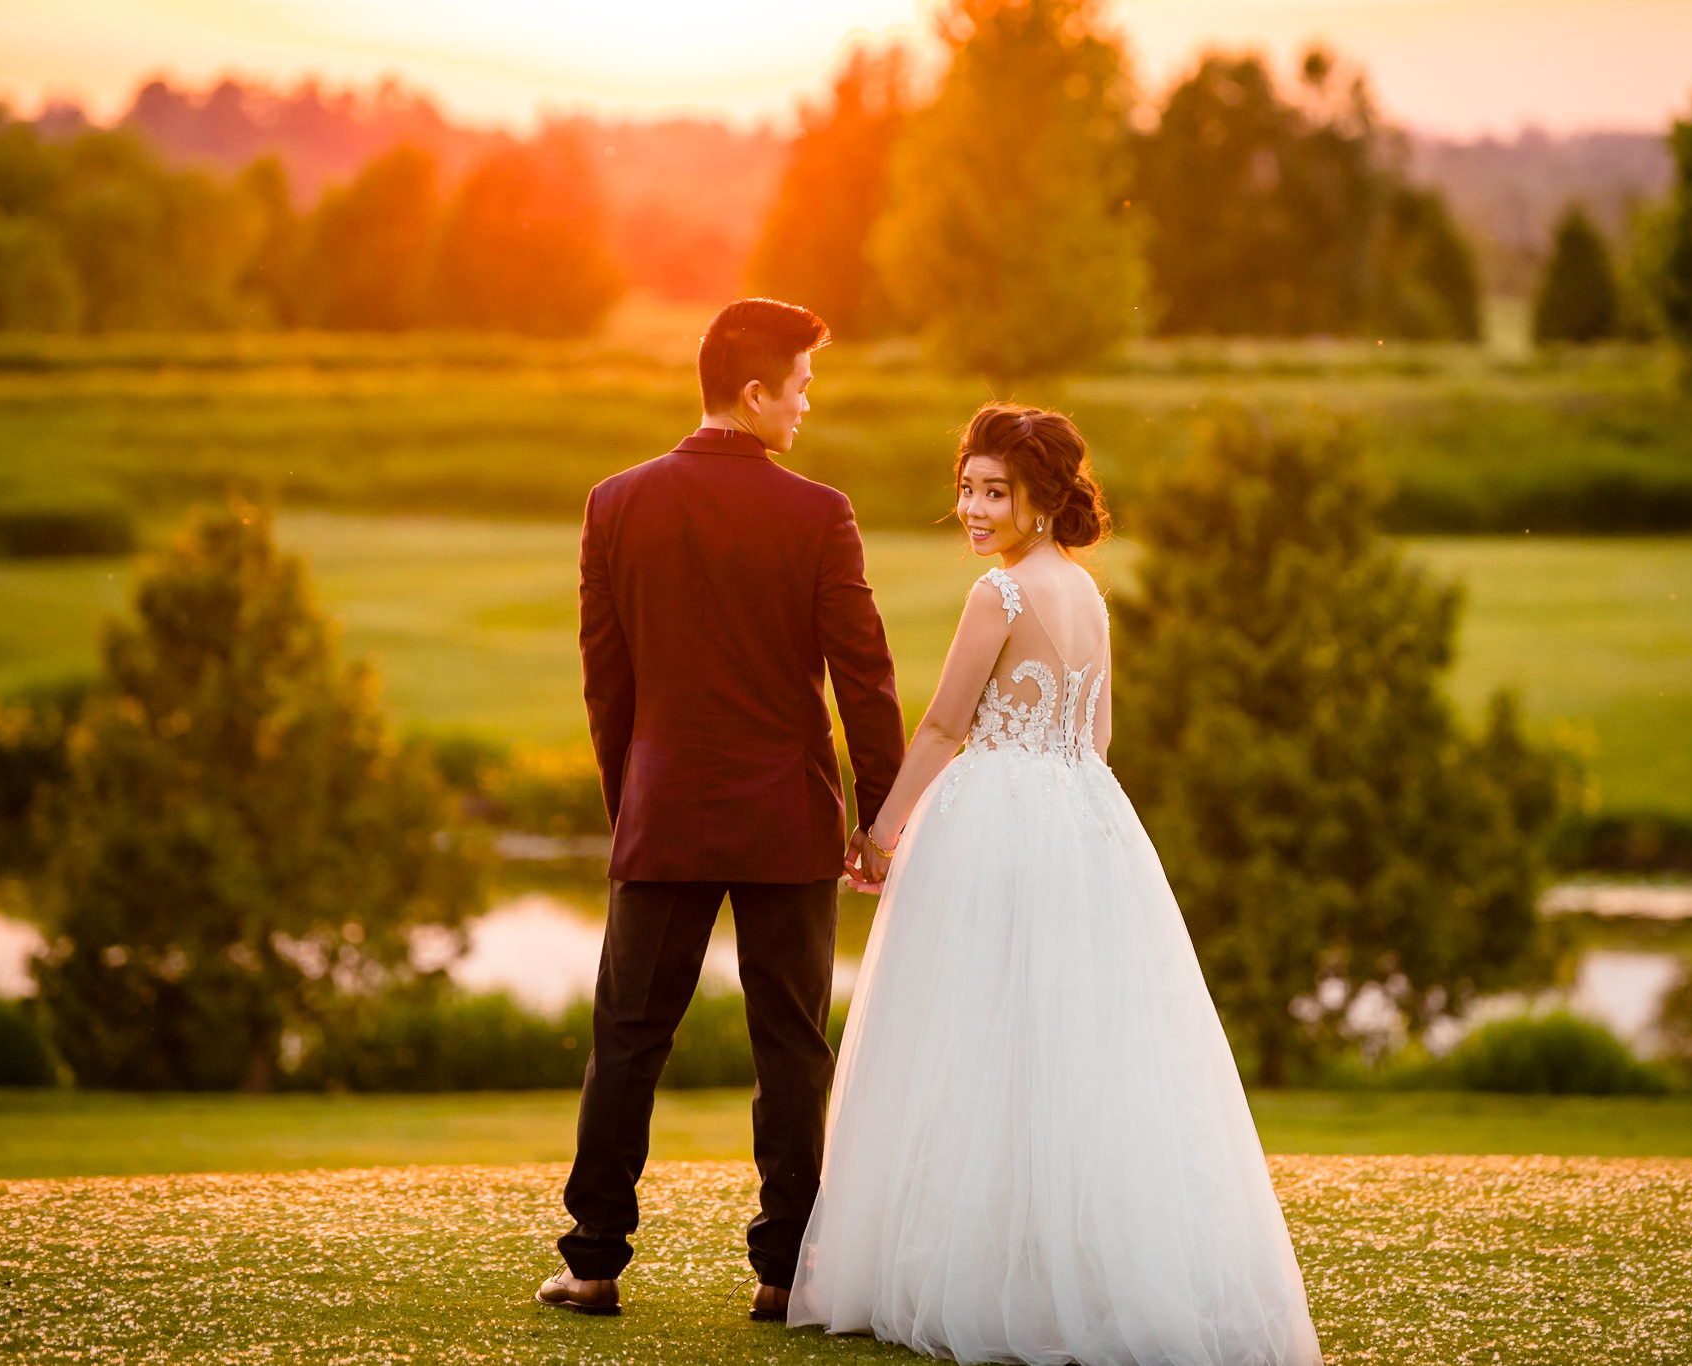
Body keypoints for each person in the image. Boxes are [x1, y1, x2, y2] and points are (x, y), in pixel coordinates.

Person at [787, 403, 1323, 1366]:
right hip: (1084, 820)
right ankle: (1058, 1261)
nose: (976, 507)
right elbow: (1099, 738)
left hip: (995, 816)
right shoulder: (1085, 593)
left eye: (997, 492)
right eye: (969, 487)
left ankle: (986, 1271)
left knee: (976, 1035)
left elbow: (946, 726)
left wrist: (882, 829)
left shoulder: (1001, 597)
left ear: (1043, 499)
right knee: (1066, 1041)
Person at [537, 298, 908, 1322]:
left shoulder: (613, 503)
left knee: (626, 1039)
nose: (804, 406)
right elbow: (864, 682)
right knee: (790, 1044)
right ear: (753, 394)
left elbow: (604, 685)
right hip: (787, 818)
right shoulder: (817, 513)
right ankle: (784, 1271)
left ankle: (592, 1261)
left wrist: (634, 808)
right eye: (798, 386)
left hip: (662, 814)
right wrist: (876, 822)